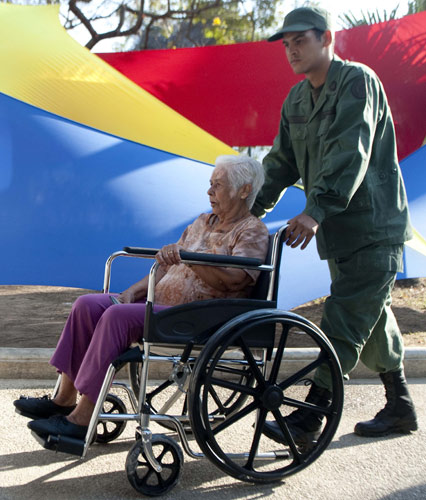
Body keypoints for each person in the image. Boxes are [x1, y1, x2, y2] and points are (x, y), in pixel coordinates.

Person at [14, 154, 269, 441]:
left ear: (245, 190)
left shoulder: (252, 230)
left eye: (217, 185)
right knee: (87, 305)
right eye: (210, 184)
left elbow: (235, 280)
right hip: (160, 304)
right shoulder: (201, 221)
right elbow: (166, 266)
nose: (209, 192)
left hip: (197, 316)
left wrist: (193, 259)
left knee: (116, 317)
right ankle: (63, 399)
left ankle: (82, 419)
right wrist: (133, 291)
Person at [251, 6, 418, 442]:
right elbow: (280, 163)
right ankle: (399, 405)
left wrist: (314, 210)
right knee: (371, 316)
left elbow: (351, 152)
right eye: (286, 45)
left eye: (299, 41)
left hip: (373, 229)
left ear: (327, 38)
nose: (291, 51)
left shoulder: (357, 82)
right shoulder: (297, 99)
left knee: (343, 319)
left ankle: (310, 416)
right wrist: (248, 213)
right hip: (338, 236)